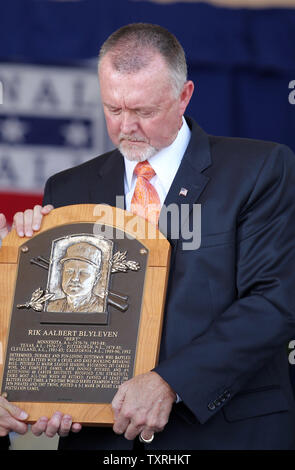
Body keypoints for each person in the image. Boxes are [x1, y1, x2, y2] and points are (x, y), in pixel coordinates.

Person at [1, 22, 295, 450]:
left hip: (225, 433)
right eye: (113, 110)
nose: (127, 128)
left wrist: (170, 382)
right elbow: (58, 315)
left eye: (143, 112)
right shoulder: (67, 190)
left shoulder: (260, 170)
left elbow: (275, 300)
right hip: (105, 442)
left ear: (184, 96)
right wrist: (26, 248)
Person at [47, 242, 103, 313]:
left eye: (84, 273)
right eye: (69, 271)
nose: (74, 278)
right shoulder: (51, 307)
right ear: (62, 273)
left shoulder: (102, 308)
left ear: (96, 279)